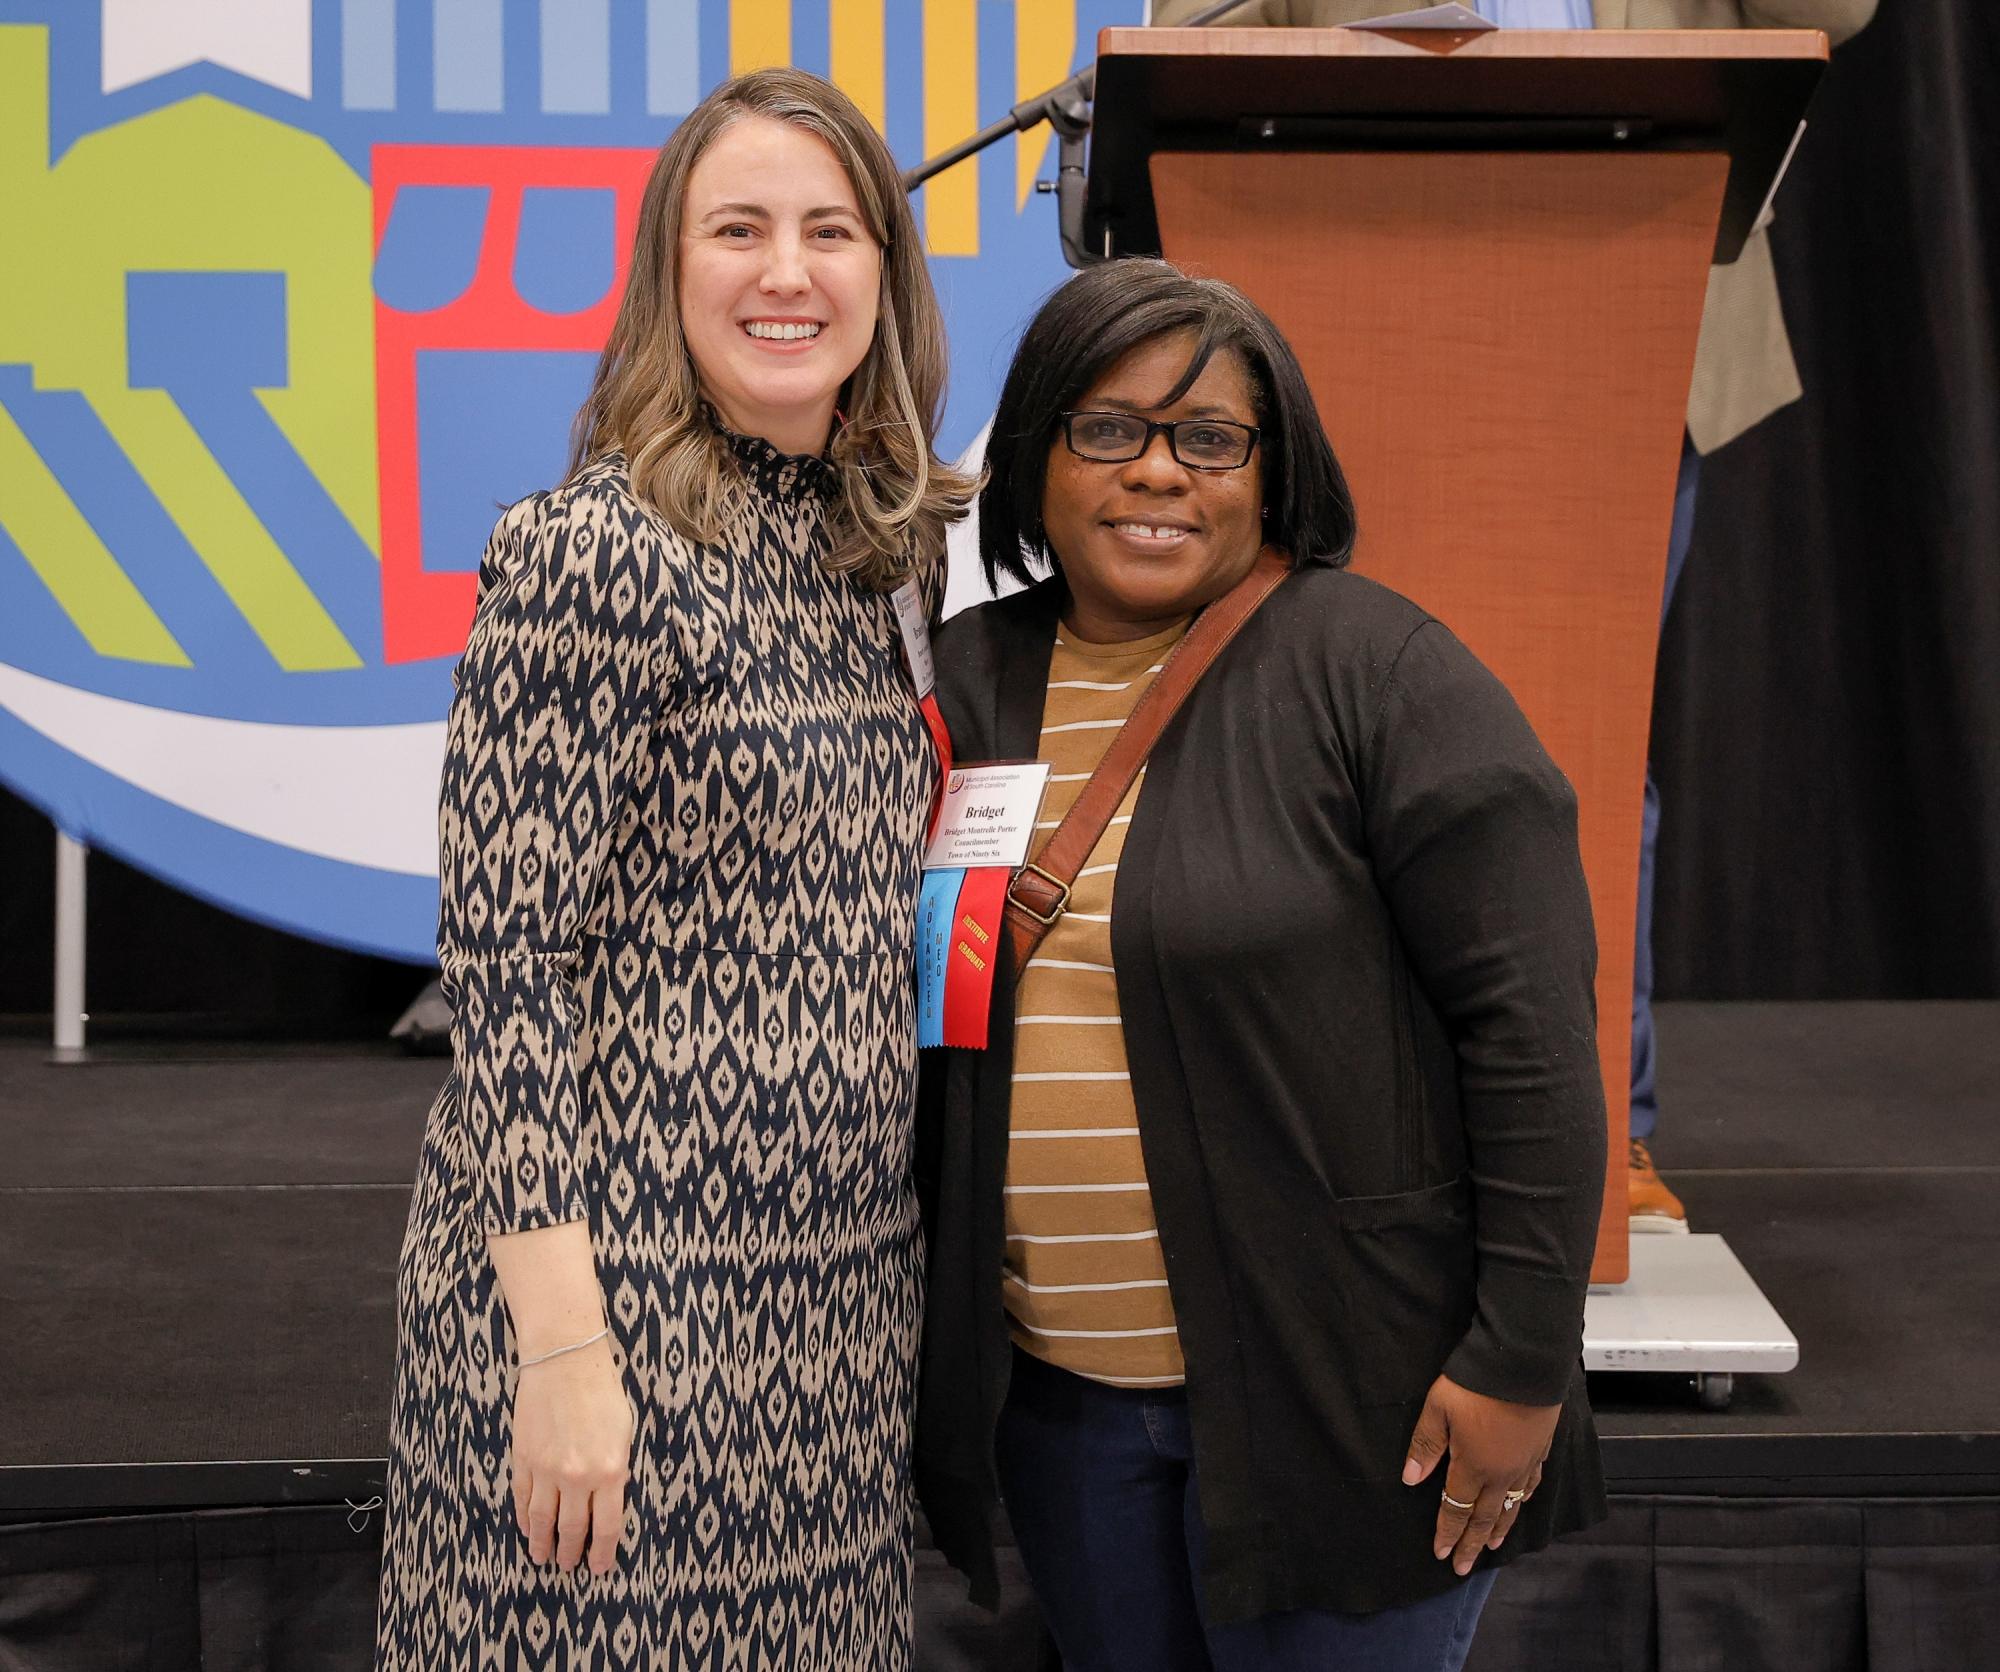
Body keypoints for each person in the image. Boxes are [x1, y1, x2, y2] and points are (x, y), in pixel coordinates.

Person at [914, 260, 1606, 1672]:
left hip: (1355, 1405)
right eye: (1108, 429)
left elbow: (1531, 1039)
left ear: (1269, 470)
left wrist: (1520, 1361)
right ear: (1037, 456)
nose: (1157, 473)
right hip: (1061, 1416)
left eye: (1209, 438)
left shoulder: (1383, 675)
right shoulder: (963, 680)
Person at [374, 67, 975, 1670]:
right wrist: (564, 1348)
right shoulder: (593, 551)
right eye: (740, 229)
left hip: (835, 1329)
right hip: (622, 1312)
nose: (788, 272)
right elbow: (504, 982)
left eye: (830, 229)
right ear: (669, 273)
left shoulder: (884, 555)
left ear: (886, 276)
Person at [1153, 0, 1876, 1234]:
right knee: (1313, 749)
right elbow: (1189, 32)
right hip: (1336, 288)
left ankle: (1608, 1135)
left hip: (1630, 292)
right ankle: (1303, 1124)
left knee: (1584, 733)